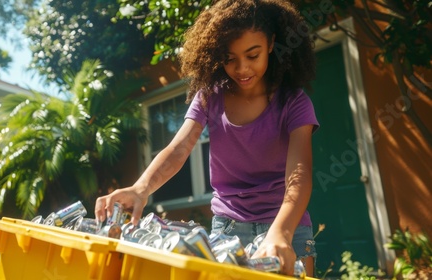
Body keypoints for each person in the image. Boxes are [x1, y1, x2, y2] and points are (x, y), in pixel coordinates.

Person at [95, 0, 318, 276]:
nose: (242, 68)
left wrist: (281, 233)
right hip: (228, 229)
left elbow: (300, 173)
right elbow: (179, 148)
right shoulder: (209, 97)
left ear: (271, 44)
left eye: (252, 55)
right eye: (229, 58)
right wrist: (141, 188)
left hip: (288, 225)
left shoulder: (294, 102)